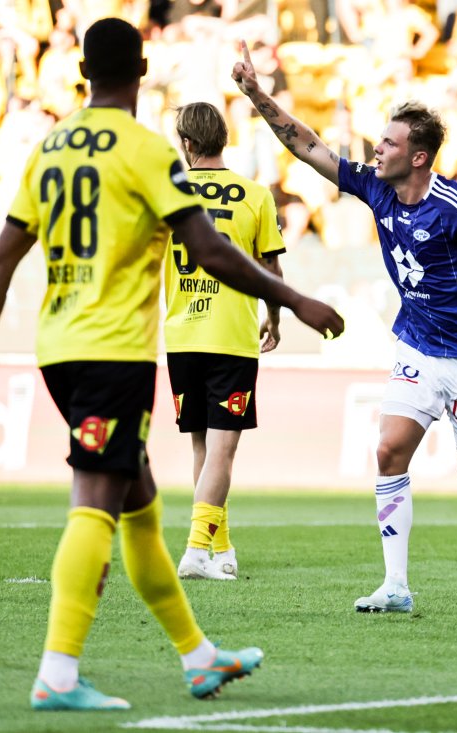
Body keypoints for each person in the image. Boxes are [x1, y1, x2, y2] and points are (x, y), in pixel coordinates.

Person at [0, 18, 343, 712]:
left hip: (59, 347)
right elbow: (214, 250)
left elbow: (0, 258)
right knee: (94, 507)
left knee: (140, 508)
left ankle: (198, 656)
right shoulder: (148, 151)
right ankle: (58, 672)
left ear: (81, 69)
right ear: (142, 67)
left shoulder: (51, 148)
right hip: (113, 353)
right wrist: (295, 298)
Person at [232, 40, 457, 615]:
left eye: (389, 143)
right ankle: (397, 586)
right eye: (380, 139)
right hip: (417, 346)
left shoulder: (456, 206)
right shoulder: (376, 186)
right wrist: (258, 94)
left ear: (419, 158)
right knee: (387, 451)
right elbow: (307, 145)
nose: (376, 149)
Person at [165, 101, 286, 581]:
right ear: (223, 139)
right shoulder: (255, 194)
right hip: (231, 337)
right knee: (222, 450)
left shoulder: (168, 193)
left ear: (187, 144)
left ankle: (221, 548)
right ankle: (196, 551)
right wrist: (274, 318)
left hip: (181, 335)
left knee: (202, 448)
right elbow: (272, 268)